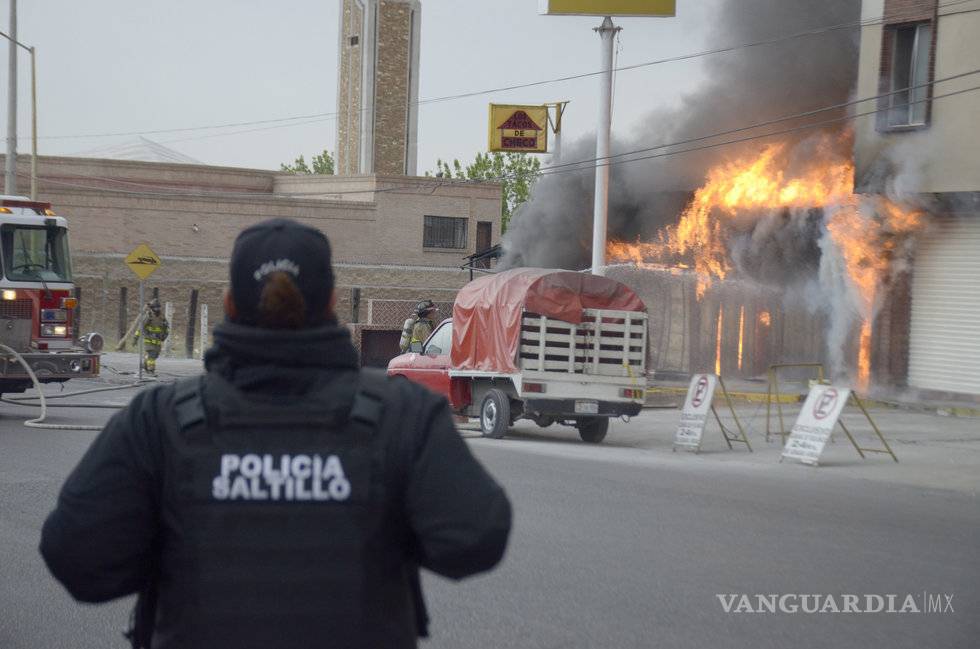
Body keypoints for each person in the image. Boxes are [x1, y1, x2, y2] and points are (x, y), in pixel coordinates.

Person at [39, 218, 512, 649]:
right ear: (329, 303)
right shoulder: (402, 415)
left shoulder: (161, 419)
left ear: (229, 304)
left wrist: (175, 557)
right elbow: (476, 538)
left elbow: (77, 558)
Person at [136, 298, 169, 374]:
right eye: (155, 308)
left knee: (155, 355)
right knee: (152, 355)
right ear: (152, 308)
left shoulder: (162, 317)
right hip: (149, 339)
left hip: (158, 340)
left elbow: (166, 328)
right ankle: (151, 369)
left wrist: (164, 335)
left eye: (158, 307)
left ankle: (145, 364)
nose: (157, 309)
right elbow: (141, 327)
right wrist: (136, 337)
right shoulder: (148, 316)